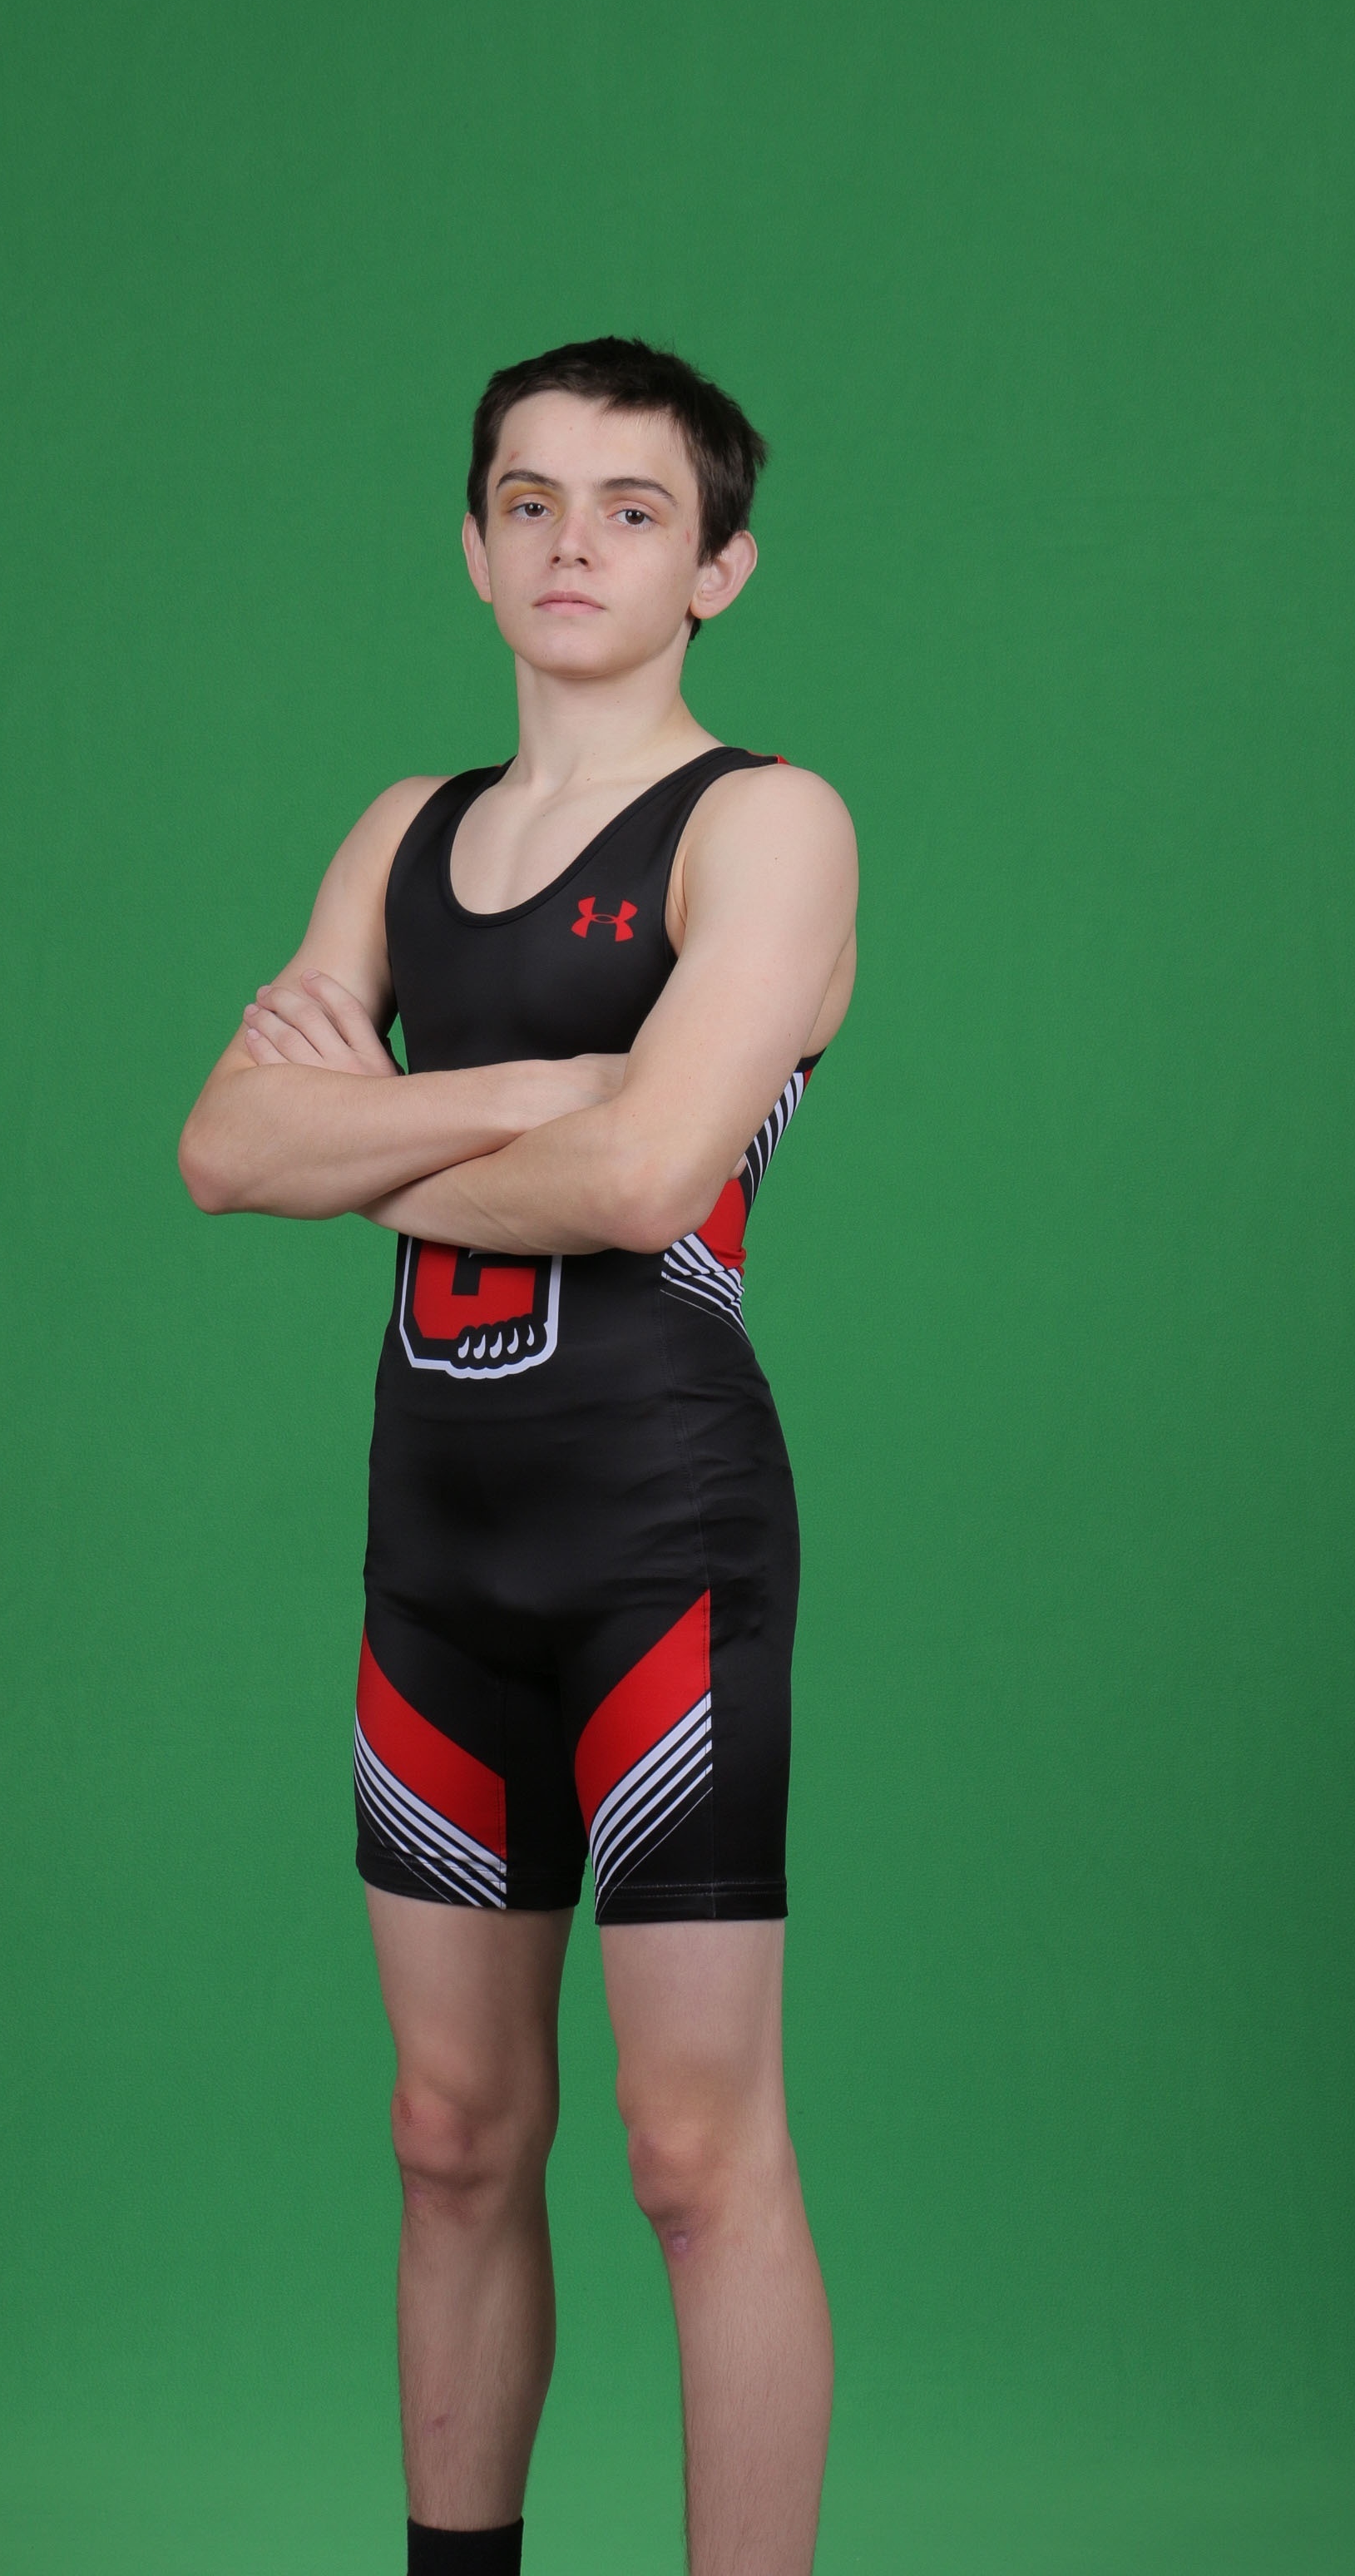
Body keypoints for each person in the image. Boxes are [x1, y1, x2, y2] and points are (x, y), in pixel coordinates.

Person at [179, 337, 858, 2576]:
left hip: (660, 1546)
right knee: (450, 2134)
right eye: (531, 502)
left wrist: (364, 1135)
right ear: (473, 548)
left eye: (634, 509)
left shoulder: (766, 824)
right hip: (435, 1560)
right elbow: (220, 1149)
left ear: (718, 567)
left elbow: (651, 1182)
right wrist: (528, 1093)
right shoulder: (403, 832)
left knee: (692, 2155)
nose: (576, 544)